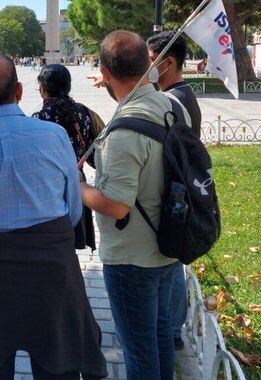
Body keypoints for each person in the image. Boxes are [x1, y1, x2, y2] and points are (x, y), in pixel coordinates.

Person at [0, 53, 107, 380]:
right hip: (52, 274)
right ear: (19, 91)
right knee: (58, 368)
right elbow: (72, 210)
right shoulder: (54, 137)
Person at [80, 30, 187, 380]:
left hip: (132, 258)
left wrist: (76, 186)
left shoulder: (124, 132)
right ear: (149, 65)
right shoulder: (172, 105)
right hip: (168, 244)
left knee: (139, 350)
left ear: (106, 74)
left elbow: (116, 205)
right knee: (159, 337)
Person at [147, 31, 204, 351]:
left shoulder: (171, 99)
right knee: (172, 265)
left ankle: (169, 332)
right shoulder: (182, 93)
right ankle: (171, 329)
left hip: (173, 192)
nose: (144, 66)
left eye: (147, 59)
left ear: (167, 62)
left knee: (168, 265)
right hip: (180, 189)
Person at [32, 63, 104, 250]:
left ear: (43, 88)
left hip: (45, 189)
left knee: (49, 244)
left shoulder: (36, 119)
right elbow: (99, 155)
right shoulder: (86, 114)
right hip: (76, 185)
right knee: (69, 244)